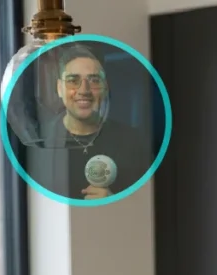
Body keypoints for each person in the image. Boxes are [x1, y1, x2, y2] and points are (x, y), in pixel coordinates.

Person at [25, 45, 152, 201]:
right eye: (73, 80)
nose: (83, 90)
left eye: (93, 80)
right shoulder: (39, 143)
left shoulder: (133, 141)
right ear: (59, 88)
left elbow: (147, 205)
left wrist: (113, 201)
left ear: (105, 87)